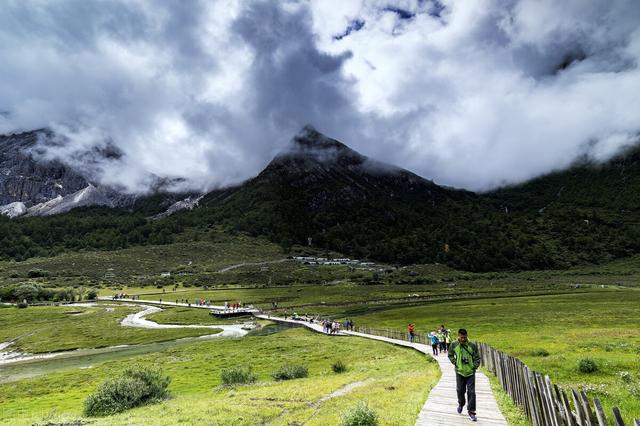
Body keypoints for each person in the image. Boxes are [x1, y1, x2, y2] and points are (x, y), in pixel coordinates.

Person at [448, 328, 480, 422]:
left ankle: (471, 412)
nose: (463, 339)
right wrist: (455, 362)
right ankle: (461, 403)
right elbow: (450, 355)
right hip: (459, 372)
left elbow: (477, 357)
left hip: (470, 372)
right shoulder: (454, 344)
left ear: (467, 336)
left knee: (471, 392)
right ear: (458, 336)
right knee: (460, 390)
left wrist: (474, 367)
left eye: (464, 337)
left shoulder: (472, 345)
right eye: (461, 337)